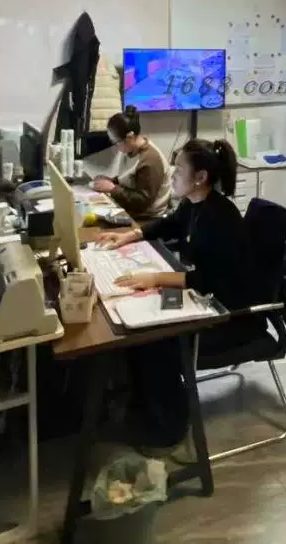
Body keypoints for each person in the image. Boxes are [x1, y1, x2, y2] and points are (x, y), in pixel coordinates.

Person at [95, 138, 255, 448]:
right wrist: (129, 235)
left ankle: (168, 427)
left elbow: (207, 280)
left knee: (155, 339)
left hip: (225, 315)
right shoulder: (193, 204)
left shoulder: (220, 217)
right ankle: (142, 408)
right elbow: (169, 224)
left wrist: (155, 278)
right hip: (204, 299)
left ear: (200, 177)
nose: (172, 174)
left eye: (179, 169)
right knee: (137, 329)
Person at [89, 106, 170, 221]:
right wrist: (111, 181)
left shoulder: (150, 160)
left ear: (130, 137)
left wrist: (113, 188)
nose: (116, 146)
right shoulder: (131, 149)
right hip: (133, 210)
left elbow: (142, 202)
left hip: (148, 218)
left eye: (116, 142)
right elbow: (130, 179)